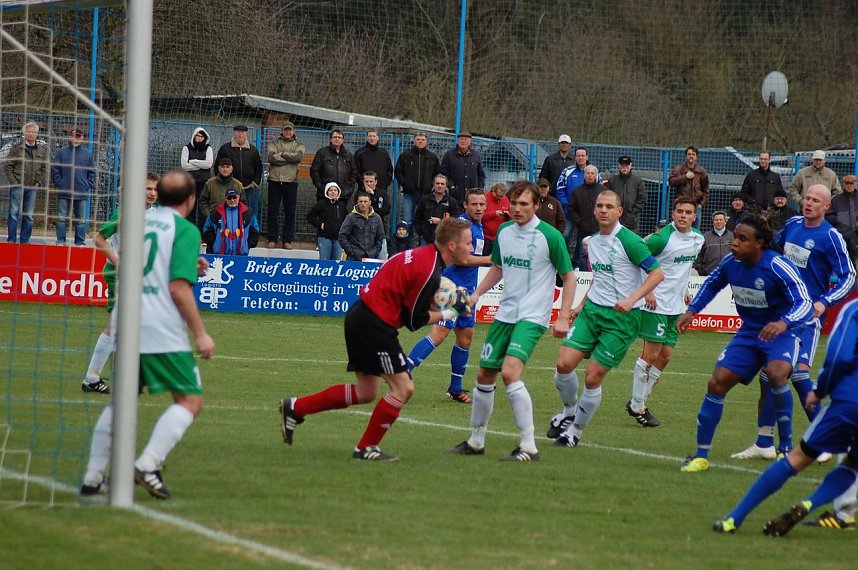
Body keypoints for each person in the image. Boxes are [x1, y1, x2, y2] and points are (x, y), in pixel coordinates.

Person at [278, 217, 474, 462]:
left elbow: (406, 303)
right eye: (468, 242)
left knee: (367, 391)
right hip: (374, 324)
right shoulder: (429, 271)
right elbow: (413, 320)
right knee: (404, 388)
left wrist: (440, 303)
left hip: (362, 316)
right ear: (452, 246)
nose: (472, 248)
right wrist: (451, 312)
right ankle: (367, 447)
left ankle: (297, 408)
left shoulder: (424, 257)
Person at [80, 169, 215, 499]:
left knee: (120, 401)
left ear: (161, 195)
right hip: (160, 326)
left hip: (126, 317)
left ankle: (93, 477)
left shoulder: (138, 221)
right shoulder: (184, 229)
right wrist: (201, 334)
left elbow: (144, 263)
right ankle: (148, 463)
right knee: (190, 400)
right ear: (190, 199)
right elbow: (179, 289)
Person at [446, 181, 575, 461]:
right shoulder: (504, 231)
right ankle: (476, 440)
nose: (517, 209)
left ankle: (528, 446)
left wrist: (563, 315)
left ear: (536, 206)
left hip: (532, 316)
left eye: (524, 204)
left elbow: (568, 277)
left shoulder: (550, 236)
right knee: (484, 375)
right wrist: (477, 295)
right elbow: (499, 268)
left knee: (510, 372)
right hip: (505, 314)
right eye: (513, 204)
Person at [676, 212, 813, 473]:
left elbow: (804, 302)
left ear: (759, 243)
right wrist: (692, 311)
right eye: (735, 237)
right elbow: (712, 284)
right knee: (717, 382)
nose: (734, 243)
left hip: (782, 332)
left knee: (776, 375)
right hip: (750, 333)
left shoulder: (777, 266)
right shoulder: (731, 263)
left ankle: (786, 451)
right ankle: (701, 455)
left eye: (742, 239)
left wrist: (784, 322)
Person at [712, 297, 858, 535]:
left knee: (798, 458)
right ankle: (810, 503)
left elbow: (839, 356)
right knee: (853, 465)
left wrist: (820, 391)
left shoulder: (854, 310)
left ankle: (733, 519)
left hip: (850, 401)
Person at [732, 185, 855, 460]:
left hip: (806, 317)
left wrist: (824, 301)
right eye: (807, 198)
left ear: (826, 207)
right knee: (768, 377)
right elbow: (773, 251)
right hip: (779, 314)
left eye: (815, 200)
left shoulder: (831, 237)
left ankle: (824, 438)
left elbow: (848, 276)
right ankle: (764, 442)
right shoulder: (792, 224)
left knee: (798, 374)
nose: (809, 203)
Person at [548, 190, 664, 448]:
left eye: (609, 206)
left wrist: (632, 299)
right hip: (592, 313)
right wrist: (580, 304)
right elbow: (601, 278)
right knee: (563, 365)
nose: (603, 210)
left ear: (619, 211)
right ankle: (569, 412)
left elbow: (657, 273)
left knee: (592, 377)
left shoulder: (630, 241)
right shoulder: (592, 242)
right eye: (599, 205)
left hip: (621, 320)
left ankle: (575, 431)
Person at [407, 188, 492, 403]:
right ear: (465, 205)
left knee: (465, 338)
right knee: (440, 333)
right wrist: (492, 259)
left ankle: (455, 388)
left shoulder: (478, 227)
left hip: (467, 290)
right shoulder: (462, 227)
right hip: (451, 289)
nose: (479, 208)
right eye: (474, 204)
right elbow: (462, 259)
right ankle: (404, 369)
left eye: (482, 204)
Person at [626, 197, 704, 427]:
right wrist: (646, 291)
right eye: (679, 211)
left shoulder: (697, 239)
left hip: (677, 306)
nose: (683, 215)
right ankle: (638, 405)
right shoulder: (661, 238)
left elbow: (684, 268)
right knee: (650, 355)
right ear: (673, 213)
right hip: (656, 305)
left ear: (694, 216)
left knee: (666, 357)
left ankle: (637, 400)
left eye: (688, 212)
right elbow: (637, 259)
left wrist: (686, 289)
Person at [82, 172, 160, 395]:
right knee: (117, 326)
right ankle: (95, 378)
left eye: (155, 189)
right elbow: (98, 238)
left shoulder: (155, 214)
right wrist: (117, 260)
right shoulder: (126, 212)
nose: (152, 193)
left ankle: (100, 377)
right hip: (120, 276)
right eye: (147, 189)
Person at [51, 127, 96, 246]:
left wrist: (87, 184)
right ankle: (60, 241)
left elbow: (92, 172)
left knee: (80, 220)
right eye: (73, 136)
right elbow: (55, 169)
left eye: (78, 136)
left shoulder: (88, 154)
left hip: (81, 192)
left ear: (82, 138)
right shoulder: (62, 152)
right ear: (69, 137)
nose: (76, 138)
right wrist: (60, 183)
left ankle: (80, 242)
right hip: (64, 191)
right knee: (61, 218)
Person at [4, 121, 48, 244]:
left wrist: (39, 183)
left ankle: (25, 241)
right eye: (29, 131)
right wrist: (14, 182)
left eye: (33, 132)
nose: (31, 134)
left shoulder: (42, 150)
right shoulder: (16, 148)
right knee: (14, 213)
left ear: (37, 134)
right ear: (24, 133)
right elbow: (8, 166)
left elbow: (45, 169)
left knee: (28, 216)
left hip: (32, 187)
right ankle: (11, 240)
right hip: (18, 186)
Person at [266, 122, 305, 250]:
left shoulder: (299, 144)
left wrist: (282, 154)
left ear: (294, 131)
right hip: (274, 181)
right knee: (272, 211)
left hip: (291, 181)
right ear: (282, 131)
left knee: (290, 212)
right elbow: (271, 158)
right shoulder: (274, 142)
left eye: (290, 130)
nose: (288, 132)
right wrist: (289, 158)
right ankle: (272, 238)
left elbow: (298, 158)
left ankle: (287, 240)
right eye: (285, 130)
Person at [215, 125, 263, 218]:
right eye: (238, 131)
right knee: (227, 210)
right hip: (229, 187)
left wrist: (255, 183)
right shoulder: (225, 148)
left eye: (243, 132)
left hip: (248, 188)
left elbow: (258, 167)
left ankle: (247, 231)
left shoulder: (253, 150)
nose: (240, 134)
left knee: (247, 212)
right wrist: (223, 181)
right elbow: (218, 166)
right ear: (234, 133)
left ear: (246, 134)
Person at [394, 132, 441, 225]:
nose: (420, 141)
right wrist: (404, 183)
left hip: (426, 193)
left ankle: (422, 239)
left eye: (423, 139)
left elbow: (437, 173)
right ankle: (408, 239)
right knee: (408, 219)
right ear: (414, 141)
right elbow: (398, 171)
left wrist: (431, 185)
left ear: (426, 142)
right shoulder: (405, 156)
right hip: (409, 192)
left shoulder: (432, 157)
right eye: (418, 139)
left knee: (425, 219)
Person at [568, 165, 609, 268]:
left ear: (596, 175)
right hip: (583, 230)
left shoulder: (603, 191)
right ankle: (584, 279)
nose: (590, 176)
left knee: (601, 255)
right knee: (583, 256)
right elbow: (571, 208)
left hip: (600, 229)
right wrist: (579, 222)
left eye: (592, 173)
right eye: (588, 173)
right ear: (584, 175)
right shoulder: (577, 191)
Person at [202, 187, 260, 255]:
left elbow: (255, 230)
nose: (232, 200)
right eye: (229, 198)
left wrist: (247, 245)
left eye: (234, 197)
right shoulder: (215, 213)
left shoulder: (248, 213)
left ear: (238, 197)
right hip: (219, 256)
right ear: (225, 199)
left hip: (241, 256)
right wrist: (213, 244)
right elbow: (206, 230)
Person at [197, 157, 246, 229]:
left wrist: (236, 216)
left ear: (231, 169)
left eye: (227, 167)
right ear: (219, 168)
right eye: (223, 167)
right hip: (214, 220)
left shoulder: (238, 185)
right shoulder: (210, 183)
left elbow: (243, 203)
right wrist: (209, 215)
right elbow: (203, 202)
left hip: (232, 222)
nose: (225, 169)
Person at [310, 128, 356, 203]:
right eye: (335, 137)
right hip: (324, 194)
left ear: (343, 140)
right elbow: (314, 170)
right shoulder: (322, 153)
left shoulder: (348, 155)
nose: (337, 139)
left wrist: (349, 188)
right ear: (330, 139)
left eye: (339, 137)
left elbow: (354, 172)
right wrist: (320, 186)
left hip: (343, 194)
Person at [413, 174, 461, 246]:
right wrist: (421, 232)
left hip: (444, 240)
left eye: (442, 184)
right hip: (426, 240)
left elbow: (456, 221)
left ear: (446, 186)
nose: (440, 186)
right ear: (433, 184)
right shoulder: (425, 200)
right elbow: (417, 218)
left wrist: (441, 222)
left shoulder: (452, 202)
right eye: (437, 183)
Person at [668, 146, 709, 229]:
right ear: (686, 156)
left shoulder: (701, 171)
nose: (691, 156)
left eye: (693, 154)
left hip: (696, 205)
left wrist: (701, 204)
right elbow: (671, 182)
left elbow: (706, 189)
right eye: (689, 154)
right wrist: (685, 177)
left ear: (696, 156)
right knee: (678, 228)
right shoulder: (679, 169)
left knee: (694, 230)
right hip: (681, 204)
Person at [440, 131, 485, 206]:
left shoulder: (476, 155)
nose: (463, 141)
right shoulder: (449, 155)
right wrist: (451, 186)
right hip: (455, 196)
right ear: (458, 141)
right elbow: (443, 173)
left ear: (470, 142)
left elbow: (481, 174)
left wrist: (479, 188)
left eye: (466, 139)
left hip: (472, 196)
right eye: (461, 139)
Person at [306, 182, 348, 261]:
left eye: (335, 190)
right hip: (324, 238)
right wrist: (320, 224)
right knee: (324, 261)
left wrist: (344, 230)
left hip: (338, 239)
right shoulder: (321, 204)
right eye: (330, 190)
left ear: (338, 192)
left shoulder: (342, 205)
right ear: (327, 192)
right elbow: (310, 216)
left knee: (337, 262)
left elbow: (347, 220)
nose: (333, 192)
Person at [354, 171, 391, 258]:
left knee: (381, 259)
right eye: (366, 181)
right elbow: (360, 210)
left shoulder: (383, 194)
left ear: (376, 182)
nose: (369, 183)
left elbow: (386, 209)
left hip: (379, 232)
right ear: (363, 181)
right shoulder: (359, 194)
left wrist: (372, 196)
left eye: (371, 181)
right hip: (362, 233)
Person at [180, 127, 213, 224]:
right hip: (190, 183)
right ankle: (190, 232)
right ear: (194, 136)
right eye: (197, 136)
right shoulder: (187, 148)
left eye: (201, 136)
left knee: (203, 208)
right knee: (190, 207)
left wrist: (193, 161)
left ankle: (203, 233)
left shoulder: (208, 148)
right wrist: (201, 165)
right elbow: (185, 166)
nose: (199, 138)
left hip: (204, 183)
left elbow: (208, 164)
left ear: (205, 138)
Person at [338, 193, 385, 261]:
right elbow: (342, 236)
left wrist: (375, 251)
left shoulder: (377, 218)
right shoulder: (351, 217)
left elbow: (380, 237)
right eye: (361, 201)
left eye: (365, 201)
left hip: (371, 257)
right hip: (354, 257)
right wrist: (351, 251)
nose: (363, 204)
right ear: (357, 203)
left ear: (370, 203)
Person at [607, 155, 647, 234]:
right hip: (615, 220)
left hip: (632, 222)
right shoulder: (612, 181)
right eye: (622, 165)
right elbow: (608, 197)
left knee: (631, 244)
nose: (624, 167)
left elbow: (642, 198)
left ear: (631, 166)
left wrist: (633, 212)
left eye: (626, 165)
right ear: (618, 166)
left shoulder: (638, 181)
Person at [825, 174, 858, 260]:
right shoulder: (836, 199)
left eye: (851, 183)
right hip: (842, 235)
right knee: (842, 258)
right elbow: (829, 215)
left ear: (856, 184)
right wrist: (840, 223)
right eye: (847, 183)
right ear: (844, 184)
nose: (849, 185)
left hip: (857, 235)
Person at [692, 211, 733, 276]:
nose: (718, 222)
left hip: (728, 275)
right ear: (713, 222)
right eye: (716, 220)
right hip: (709, 275)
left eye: (720, 220)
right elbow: (698, 256)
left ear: (725, 222)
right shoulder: (705, 237)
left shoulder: (733, 236)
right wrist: (702, 271)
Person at [482, 182, 510, 254]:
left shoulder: (505, 200)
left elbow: (511, 216)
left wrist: (509, 216)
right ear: (493, 191)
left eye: (502, 197)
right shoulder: (485, 198)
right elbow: (481, 217)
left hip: (500, 237)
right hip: (486, 237)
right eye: (498, 196)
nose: (500, 199)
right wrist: (494, 214)